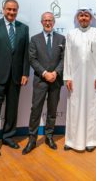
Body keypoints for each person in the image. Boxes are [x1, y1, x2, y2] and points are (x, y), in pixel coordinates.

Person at [0, 0, 30, 156]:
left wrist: (25, 73)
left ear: (17, 10)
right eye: (9, 9)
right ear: (3, 10)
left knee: (12, 110)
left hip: (16, 77)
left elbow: (25, 54)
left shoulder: (23, 28)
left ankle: (9, 137)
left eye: (14, 10)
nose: (11, 12)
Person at [22, 12, 66, 155]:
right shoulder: (34, 39)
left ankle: (49, 136)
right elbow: (32, 59)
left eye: (50, 20)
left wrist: (55, 73)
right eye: (45, 20)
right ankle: (32, 139)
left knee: (52, 111)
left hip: (56, 80)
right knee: (36, 110)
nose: (48, 23)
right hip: (40, 80)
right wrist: (45, 73)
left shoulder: (61, 38)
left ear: (54, 22)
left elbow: (64, 59)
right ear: (41, 22)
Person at [63, 8, 96, 152]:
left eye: (86, 15)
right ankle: (71, 140)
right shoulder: (71, 34)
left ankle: (91, 140)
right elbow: (67, 57)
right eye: (81, 16)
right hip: (74, 78)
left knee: (92, 107)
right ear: (77, 18)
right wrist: (67, 77)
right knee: (74, 107)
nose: (83, 18)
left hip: (92, 78)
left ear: (91, 18)